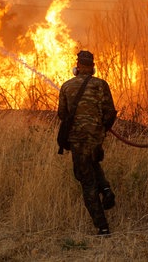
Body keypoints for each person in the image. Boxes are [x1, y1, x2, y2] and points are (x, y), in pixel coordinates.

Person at [57, 50, 118, 236]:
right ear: (92, 67)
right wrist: (100, 130)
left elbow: (62, 114)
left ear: (77, 67)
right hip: (95, 139)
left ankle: (103, 227)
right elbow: (110, 113)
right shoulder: (101, 85)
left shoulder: (67, 87)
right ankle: (107, 190)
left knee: (87, 182)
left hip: (77, 140)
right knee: (93, 163)